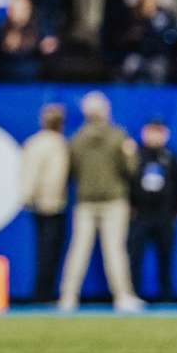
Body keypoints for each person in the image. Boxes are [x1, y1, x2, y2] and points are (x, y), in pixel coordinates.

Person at [58, 92, 142, 312]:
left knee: (78, 250)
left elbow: (70, 172)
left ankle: (68, 297)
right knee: (115, 250)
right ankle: (122, 296)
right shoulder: (118, 137)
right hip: (113, 200)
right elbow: (131, 169)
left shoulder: (77, 138)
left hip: (85, 200)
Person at [127, 118, 177, 301]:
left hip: (164, 215)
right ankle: (133, 294)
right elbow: (127, 181)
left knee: (165, 256)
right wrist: (130, 205)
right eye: (152, 131)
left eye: (158, 132)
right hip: (141, 215)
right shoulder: (135, 155)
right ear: (145, 133)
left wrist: (176, 210)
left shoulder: (170, 156)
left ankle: (166, 295)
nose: (155, 136)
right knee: (135, 256)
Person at [19, 103, 69, 302]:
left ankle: (43, 292)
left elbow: (29, 174)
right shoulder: (54, 143)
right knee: (48, 251)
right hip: (50, 203)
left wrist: (28, 196)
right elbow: (35, 175)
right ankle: (42, 293)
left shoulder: (40, 142)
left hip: (45, 202)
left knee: (47, 250)